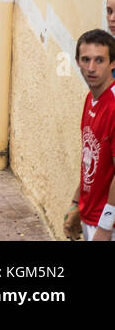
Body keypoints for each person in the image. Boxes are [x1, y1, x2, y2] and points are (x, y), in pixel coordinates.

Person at [65, 29, 115, 240]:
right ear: (77, 61)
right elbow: (91, 159)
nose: (91, 68)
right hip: (90, 218)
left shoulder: (113, 106)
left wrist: (105, 227)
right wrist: (77, 204)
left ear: (113, 63)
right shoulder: (91, 98)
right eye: (85, 60)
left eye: (99, 60)